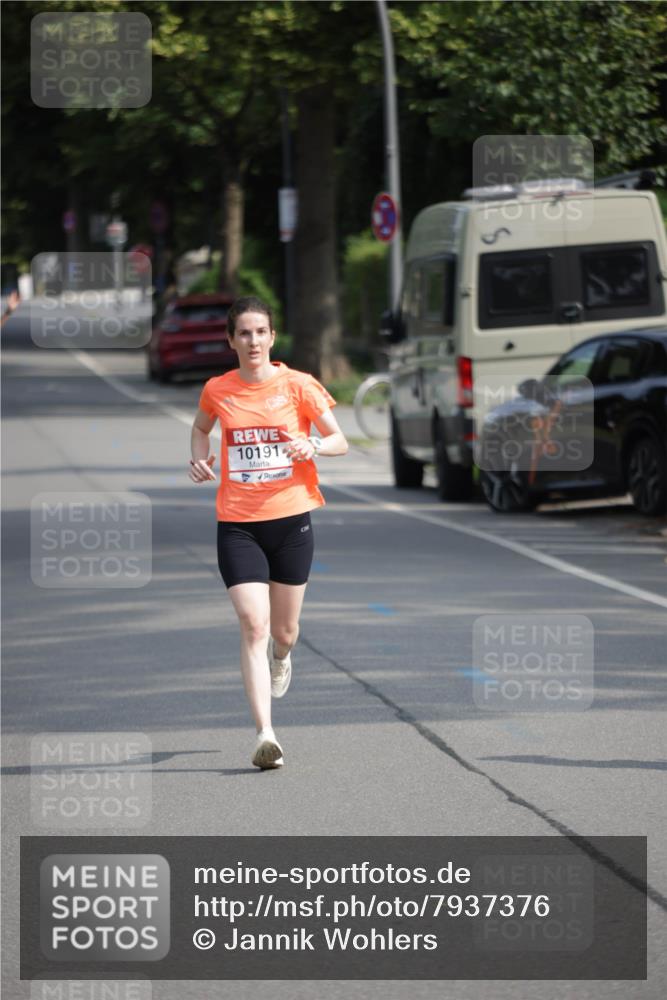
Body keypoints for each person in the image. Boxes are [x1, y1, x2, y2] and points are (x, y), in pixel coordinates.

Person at [189, 296, 348, 770]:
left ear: (272, 338)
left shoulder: (298, 386)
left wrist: (312, 443)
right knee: (252, 623)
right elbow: (200, 428)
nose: (253, 340)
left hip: (291, 520)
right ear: (231, 340)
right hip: (238, 524)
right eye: (244, 333)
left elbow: (339, 440)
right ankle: (265, 733)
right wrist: (198, 457)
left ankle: (283, 654)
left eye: (261, 332)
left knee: (283, 630)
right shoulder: (218, 389)